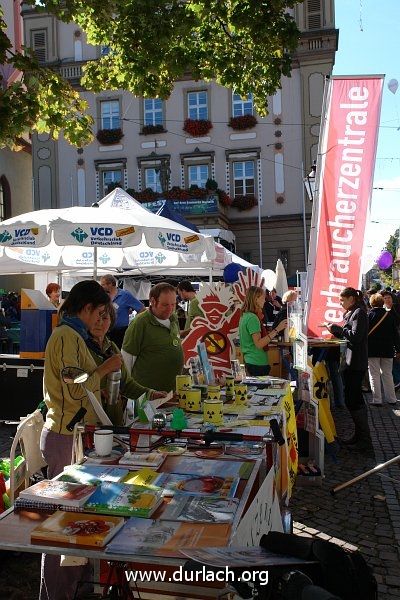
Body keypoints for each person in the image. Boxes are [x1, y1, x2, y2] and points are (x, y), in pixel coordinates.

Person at [39, 280, 122, 600]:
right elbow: (74, 384)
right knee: (61, 526)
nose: (100, 318)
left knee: (76, 521)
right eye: (99, 312)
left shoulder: (74, 335)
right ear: (86, 308)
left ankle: (77, 588)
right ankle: (58, 593)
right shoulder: (65, 335)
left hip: (74, 435)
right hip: (64, 436)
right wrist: (103, 369)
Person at [86, 303, 167, 425]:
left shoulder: (112, 348)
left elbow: (127, 385)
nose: (100, 322)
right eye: (96, 318)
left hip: (113, 419)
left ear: (111, 321)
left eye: (105, 318)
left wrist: (151, 394)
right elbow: (75, 388)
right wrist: (98, 391)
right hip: (89, 421)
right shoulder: (82, 348)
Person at [324, 287, 372, 453]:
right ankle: (359, 436)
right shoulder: (354, 312)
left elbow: (355, 336)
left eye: (342, 300)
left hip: (356, 362)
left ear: (351, 299)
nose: (340, 302)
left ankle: (364, 440)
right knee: (353, 398)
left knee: (354, 399)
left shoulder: (360, 313)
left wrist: (338, 329)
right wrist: (336, 331)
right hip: (351, 361)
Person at [122, 282, 183, 392]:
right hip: (147, 396)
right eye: (165, 305)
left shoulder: (173, 318)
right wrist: (127, 392)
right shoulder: (140, 323)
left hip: (172, 392)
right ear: (153, 301)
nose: (170, 309)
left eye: (173, 304)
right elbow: (126, 360)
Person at [239, 286, 287, 377]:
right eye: (263, 298)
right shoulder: (253, 318)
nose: (265, 301)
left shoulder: (245, 316)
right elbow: (259, 344)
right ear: (256, 299)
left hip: (251, 360)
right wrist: (277, 329)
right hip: (256, 363)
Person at [367, 293, 400, 405]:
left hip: (372, 350)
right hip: (388, 349)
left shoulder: (369, 315)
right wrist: (398, 349)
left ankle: (377, 400)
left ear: (371, 303)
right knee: (387, 374)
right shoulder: (389, 315)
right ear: (382, 302)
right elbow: (395, 335)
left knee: (374, 375)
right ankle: (392, 399)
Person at [100, 274, 145, 348]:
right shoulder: (103, 296)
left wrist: (134, 323)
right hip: (106, 331)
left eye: (103, 285)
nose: (101, 287)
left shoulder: (125, 295)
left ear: (110, 284)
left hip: (121, 332)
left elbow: (142, 309)